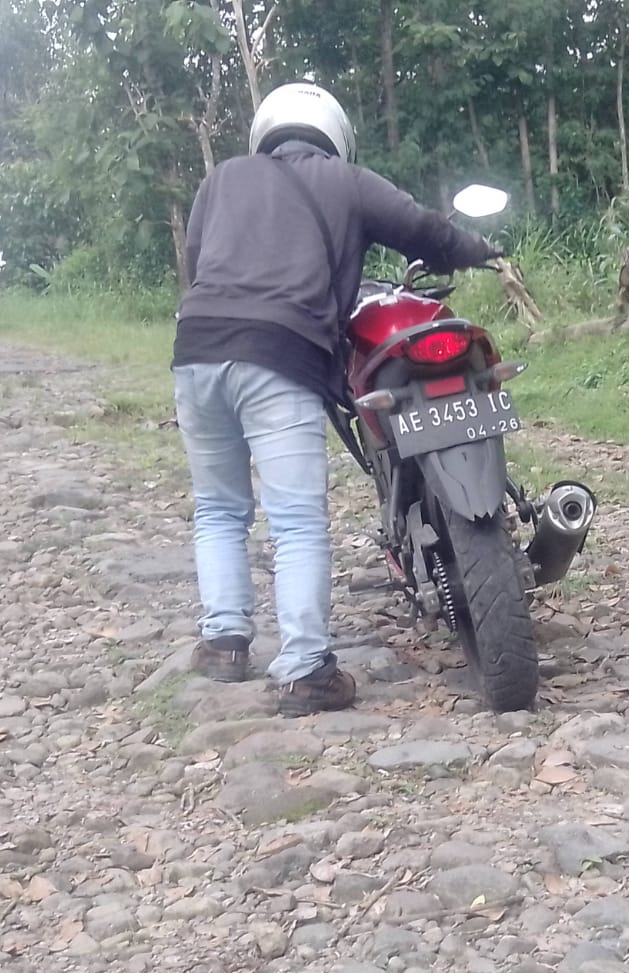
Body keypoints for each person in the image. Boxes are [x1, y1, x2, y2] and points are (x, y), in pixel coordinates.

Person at [172, 82, 497, 716]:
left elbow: (198, 258)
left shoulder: (220, 180)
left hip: (196, 349)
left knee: (218, 507)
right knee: (295, 520)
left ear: (265, 131)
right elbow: (422, 229)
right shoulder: (345, 180)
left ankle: (224, 643)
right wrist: (476, 249)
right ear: (335, 135)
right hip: (280, 351)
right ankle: (305, 672)